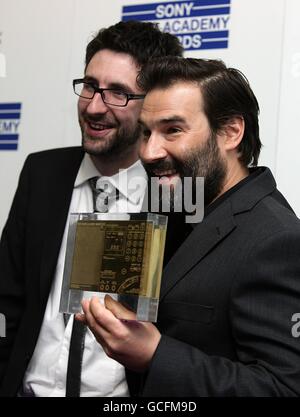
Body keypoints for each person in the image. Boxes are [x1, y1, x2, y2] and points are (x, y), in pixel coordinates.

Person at [79, 57, 300, 396]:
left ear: (230, 132)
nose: (150, 152)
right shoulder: (180, 207)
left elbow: (283, 389)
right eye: (145, 133)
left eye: (173, 130)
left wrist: (156, 355)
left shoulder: (277, 240)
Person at [0, 22, 183, 397]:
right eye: (89, 86)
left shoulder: (176, 195)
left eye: (118, 93)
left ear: (153, 104)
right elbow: (8, 297)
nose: (94, 107)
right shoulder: (43, 173)